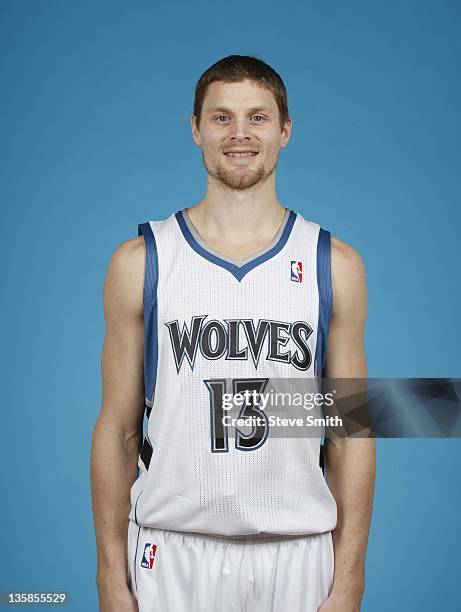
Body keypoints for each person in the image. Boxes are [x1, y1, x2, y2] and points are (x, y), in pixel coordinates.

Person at [90, 54, 375, 612]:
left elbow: (351, 433)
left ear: (285, 130)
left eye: (258, 118)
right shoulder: (140, 261)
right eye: (221, 118)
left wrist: (349, 582)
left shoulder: (334, 264)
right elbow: (118, 429)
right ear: (195, 129)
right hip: (171, 553)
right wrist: (108, 573)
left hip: (298, 553)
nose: (239, 134)